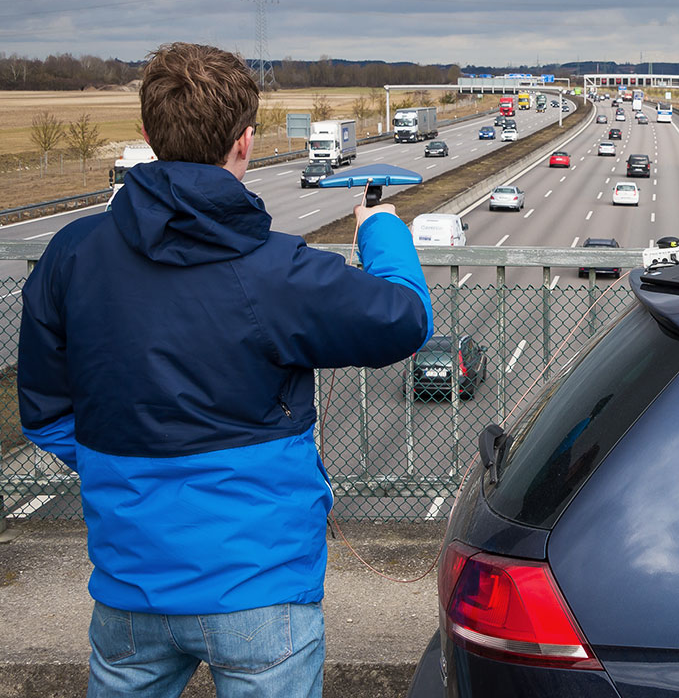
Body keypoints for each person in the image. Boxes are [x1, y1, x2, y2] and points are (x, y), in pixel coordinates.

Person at [17, 42, 433, 697]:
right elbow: (405, 319)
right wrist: (381, 231)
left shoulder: (73, 253)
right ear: (245, 141)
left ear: (148, 134)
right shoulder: (278, 269)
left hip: (129, 586)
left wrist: (127, 467)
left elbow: (44, 415)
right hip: (259, 586)